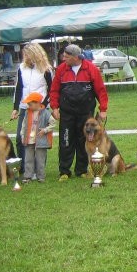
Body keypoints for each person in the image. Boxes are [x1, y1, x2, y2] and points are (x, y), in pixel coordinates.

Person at [50, 44, 109, 181]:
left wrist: (103, 109)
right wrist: (54, 108)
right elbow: (54, 90)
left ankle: (81, 170)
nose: (63, 58)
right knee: (66, 141)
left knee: (84, 140)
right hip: (66, 113)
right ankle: (64, 171)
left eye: (66, 56)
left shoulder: (91, 69)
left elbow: (101, 90)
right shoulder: (61, 70)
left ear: (75, 57)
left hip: (85, 113)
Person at [11, 43, 53, 174]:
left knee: (39, 139)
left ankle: (39, 169)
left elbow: (52, 89)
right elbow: (19, 88)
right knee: (20, 138)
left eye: (27, 54)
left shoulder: (46, 69)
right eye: (24, 55)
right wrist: (15, 108)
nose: (25, 57)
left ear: (35, 54)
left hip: (40, 108)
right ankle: (24, 168)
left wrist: (44, 105)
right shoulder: (21, 68)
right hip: (25, 107)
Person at [19, 92, 56, 183]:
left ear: (37, 103)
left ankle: (41, 177)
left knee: (40, 159)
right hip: (29, 139)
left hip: (41, 140)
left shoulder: (46, 113)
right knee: (28, 158)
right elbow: (23, 125)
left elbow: (53, 123)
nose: (28, 106)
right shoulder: (27, 113)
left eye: (30, 104)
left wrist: (45, 130)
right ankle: (28, 176)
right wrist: (22, 135)